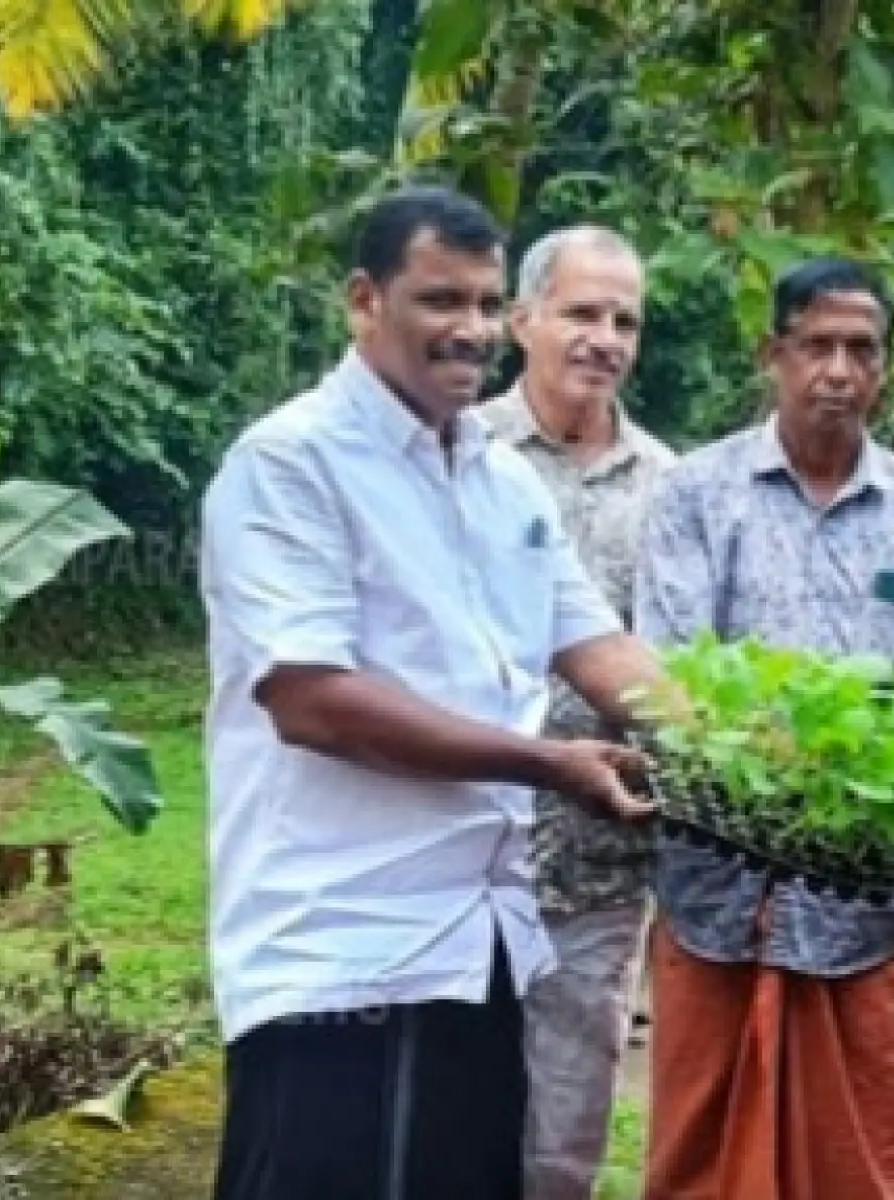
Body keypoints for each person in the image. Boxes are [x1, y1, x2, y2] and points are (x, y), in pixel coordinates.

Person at [198, 185, 670, 1200]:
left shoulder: (500, 485)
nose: (469, 331)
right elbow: (311, 698)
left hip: (479, 944)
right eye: (437, 300)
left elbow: (599, 648)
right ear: (364, 300)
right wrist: (546, 762)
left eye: (485, 304)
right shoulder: (290, 462)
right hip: (340, 947)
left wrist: (775, 754)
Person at [634, 257, 894, 1200]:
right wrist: (821, 763)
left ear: (886, 369)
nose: (837, 370)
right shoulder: (696, 495)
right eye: (815, 346)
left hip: (861, 911)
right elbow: (667, 684)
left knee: (856, 1162)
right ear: (771, 356)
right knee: (697, 1163)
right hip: (717, 897)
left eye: (860, 349)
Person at [475, 225, 677, 1200]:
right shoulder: (457, 458)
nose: (604, 338)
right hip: (464, 856)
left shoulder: (673, 488)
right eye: (581, 312)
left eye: (624, 319)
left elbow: (680, 670)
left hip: (599, 865)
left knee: (562, 1143)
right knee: (445, 1122)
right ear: (522, 320)